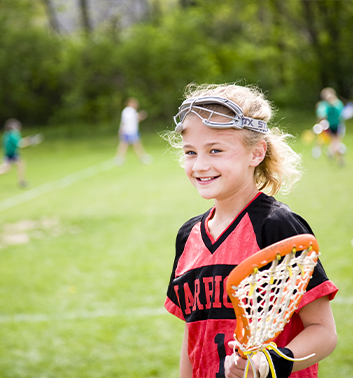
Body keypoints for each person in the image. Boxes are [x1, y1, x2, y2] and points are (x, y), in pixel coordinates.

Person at [164, 83, 338, 378]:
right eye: (190, 152)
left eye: (215, 150)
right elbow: (192, 337)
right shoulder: (188, 235)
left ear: (256, 153)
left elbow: (323, 332)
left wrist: (269, 363)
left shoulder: (277, 226)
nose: (200, 165)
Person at [115, 97, 152, 165]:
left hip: (132, 131)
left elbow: (134, 119)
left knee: (132, 145)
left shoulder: (131, 111)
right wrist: (121, 130)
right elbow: (125, 121)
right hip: (128, 131)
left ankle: (120, 159)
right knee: (126, 145)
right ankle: (120, 159)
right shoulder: (128, 110)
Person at [316, 87, 345, 165]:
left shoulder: (338, 104)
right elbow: (322, 116)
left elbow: (341, 115)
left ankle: (332, 154)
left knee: (336, 143)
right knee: (334, 143)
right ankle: (338, 158)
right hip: (330, 127)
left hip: (338, 126)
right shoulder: (325, 106)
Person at [0, 118, 29, 187]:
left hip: (9, 153)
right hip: (11, 154)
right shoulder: (13, 134)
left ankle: (21, 181)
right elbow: (20, 144)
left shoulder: (6, 134)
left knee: (20, 164)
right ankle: (21, 181)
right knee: (6, 169)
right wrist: (29, 141)